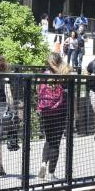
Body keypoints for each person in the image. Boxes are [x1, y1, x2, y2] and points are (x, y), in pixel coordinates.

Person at [37, 53, 72, 181]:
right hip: (60, 111)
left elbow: (38, 91)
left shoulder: (44, 74)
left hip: (46, 111)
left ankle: (43, 164)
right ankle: (51, 174)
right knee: (56, 142)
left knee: (48, 139)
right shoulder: (64, 74)